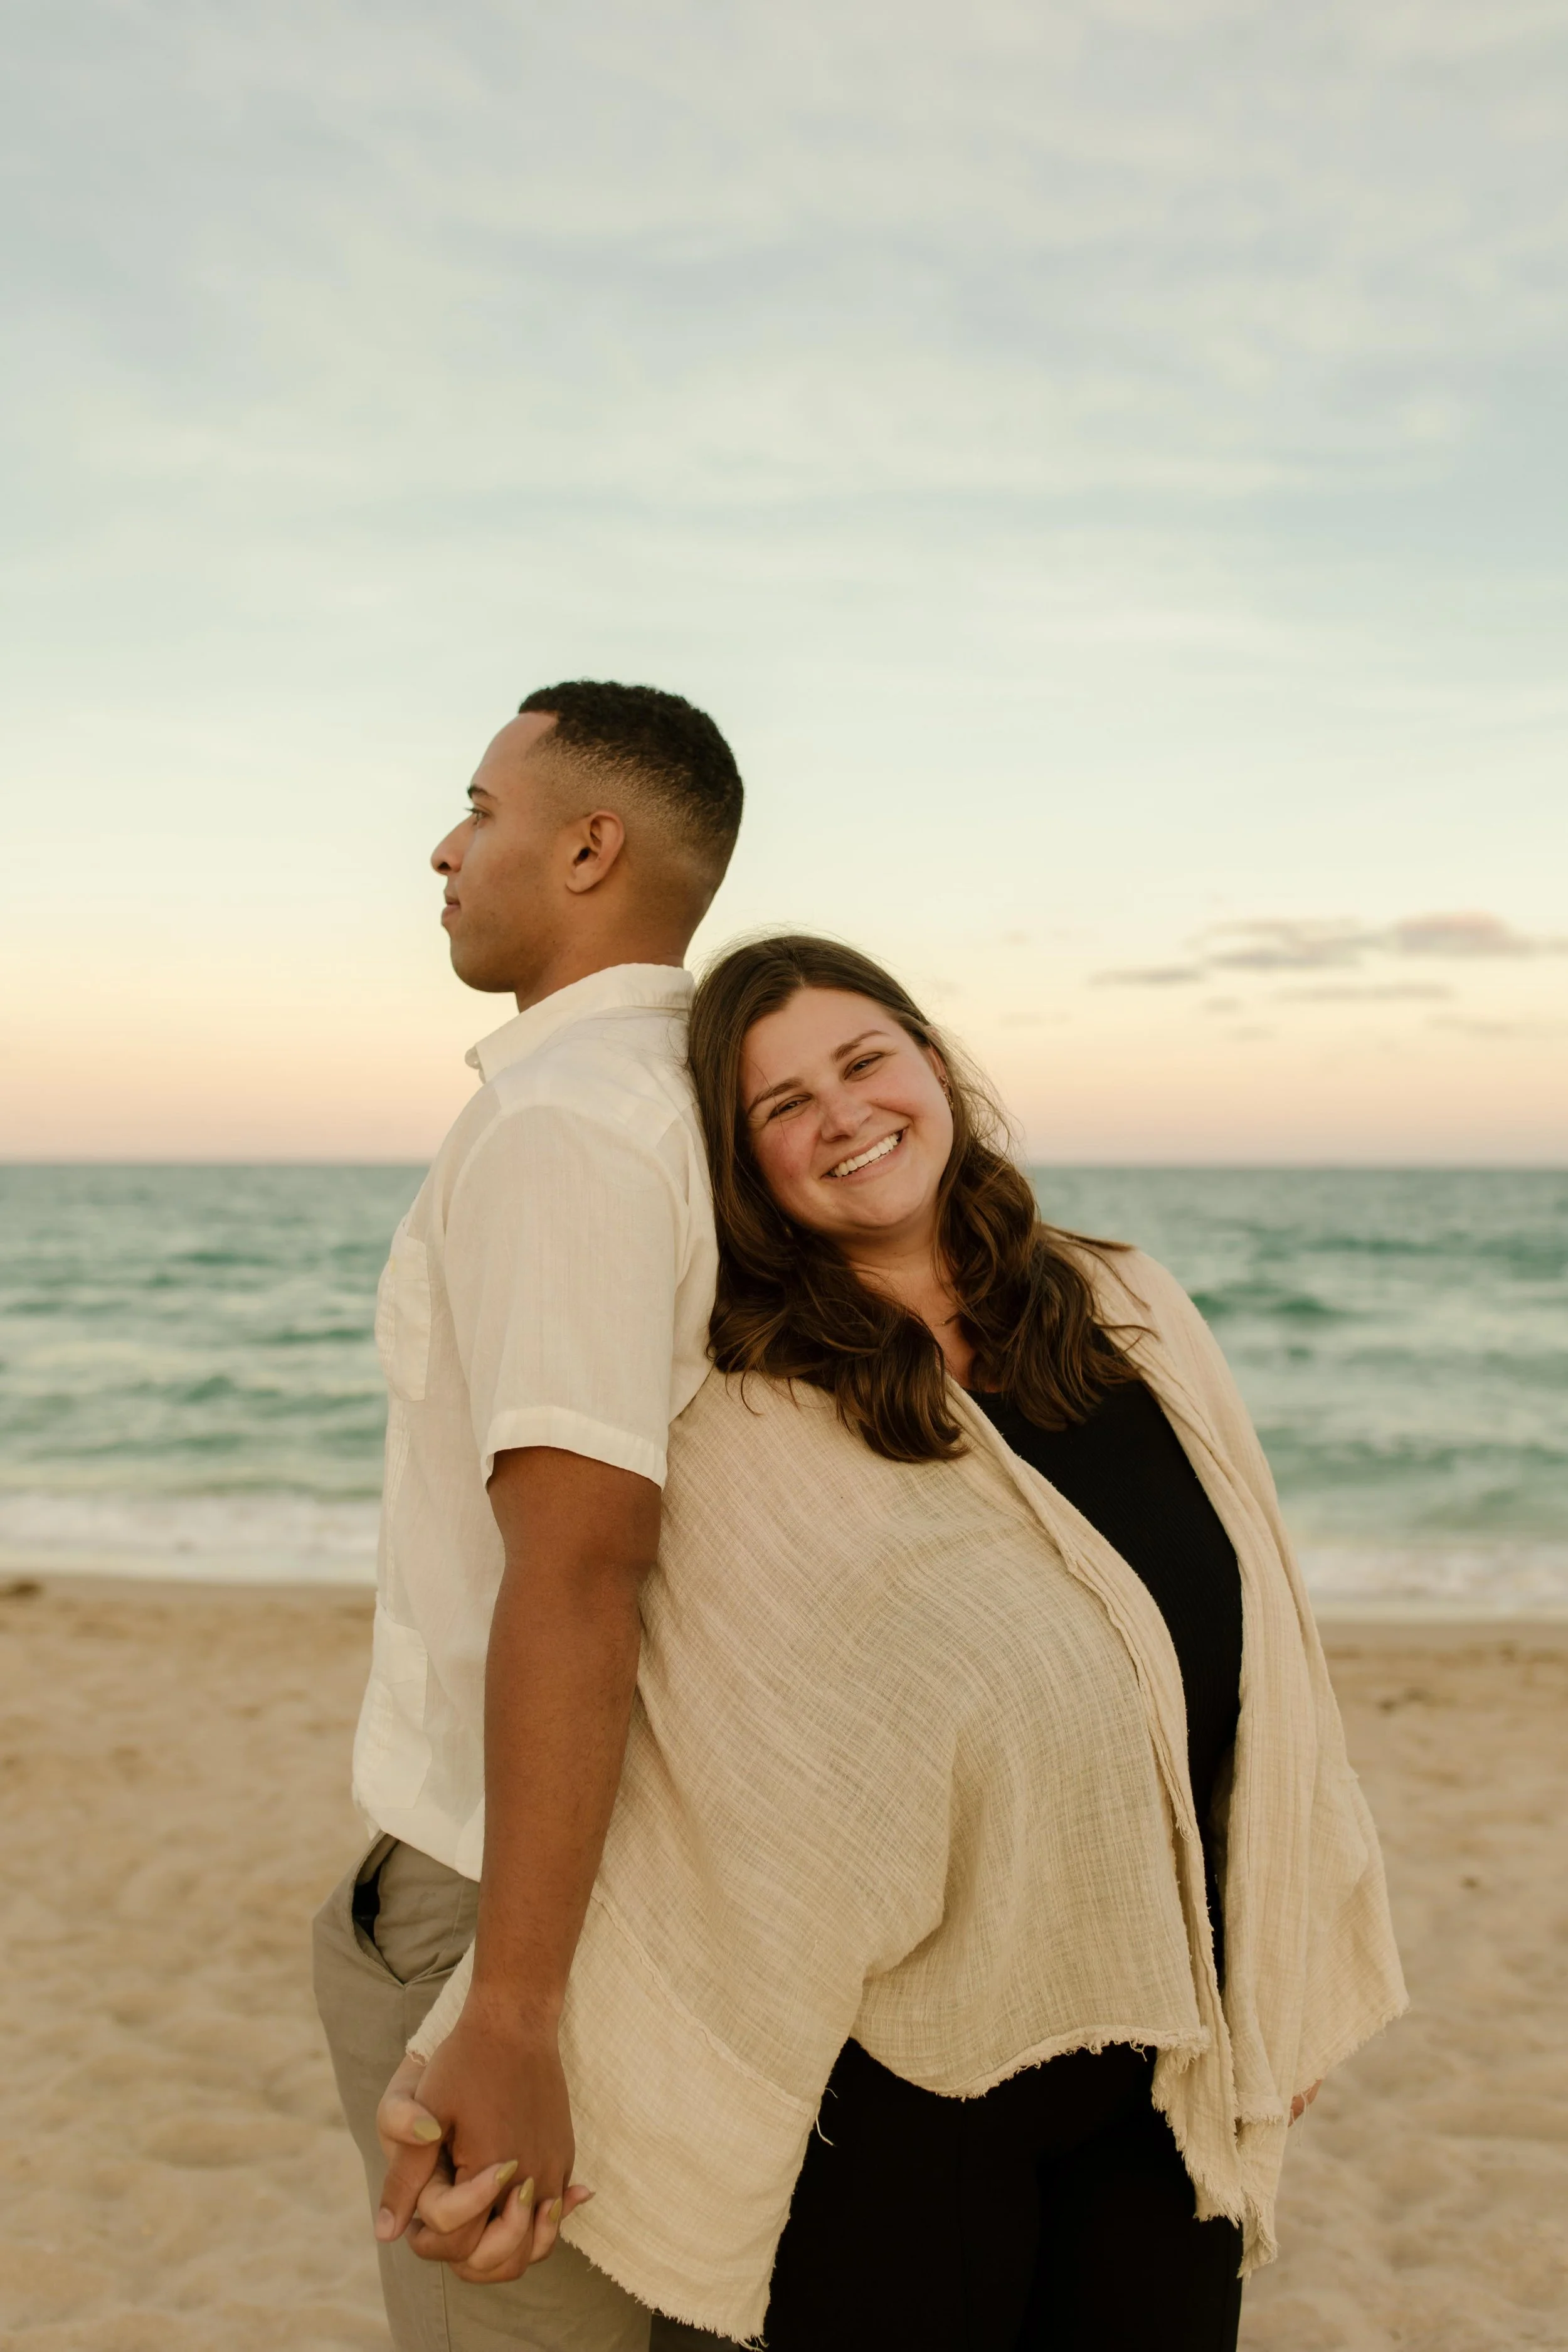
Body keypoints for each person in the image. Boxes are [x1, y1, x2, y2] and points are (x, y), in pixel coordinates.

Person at [384, 935, 1405, 2349]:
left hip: (1167, 2058)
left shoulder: (1129, 1307)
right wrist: (495, 2032)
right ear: (747, 1171)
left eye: (864, 1062)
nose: (843, 1115)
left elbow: (1269, 1657)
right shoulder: (743, 1415)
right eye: (781, 1106)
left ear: (934, 1066)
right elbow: (698, 1783)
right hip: (907, 2099)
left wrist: (1276, 1977)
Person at [311, 679, 744, 2352]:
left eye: (480, 806)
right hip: (628, 1873)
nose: (444, 843)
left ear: (586, 845)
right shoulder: (694, 1100)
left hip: (505, 1891)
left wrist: (504, 1999)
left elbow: (580, 1558)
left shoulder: (568, 1126)